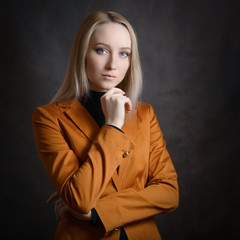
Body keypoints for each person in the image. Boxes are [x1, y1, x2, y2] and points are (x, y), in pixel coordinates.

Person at [32, 10, 179, 240]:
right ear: (82, 53)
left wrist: (97, 213)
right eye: (101, 50)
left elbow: (169, 193)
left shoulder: (145, 114)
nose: (113, 64)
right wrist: (112, 125)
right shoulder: (49, 118)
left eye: (124, 54)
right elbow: (80, 199)